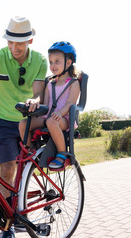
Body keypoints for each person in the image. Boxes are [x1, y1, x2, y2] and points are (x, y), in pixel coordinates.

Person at [0, 16, 47, 237]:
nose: (14, 47)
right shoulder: (0, 56)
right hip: (3, 121)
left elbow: (37, 91)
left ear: (30, 42)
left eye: (19, 43)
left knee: (24, 172)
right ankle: (8, 224)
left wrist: (35, 100)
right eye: (10, 42)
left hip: (27, 121)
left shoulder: (39, 60)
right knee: (7, 171)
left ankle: (22, 211)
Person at [19, 41, 81, 169]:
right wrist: (32, 110)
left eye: (57, 61)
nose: (53, 65)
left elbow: (70, 103)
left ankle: (62, 153)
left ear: (68, 62)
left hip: (64, 119)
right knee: (23, 124)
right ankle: (30, 150)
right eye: (51, 62)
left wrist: (60, 113)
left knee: (52, 122)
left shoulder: (73, 83)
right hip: (48, 117)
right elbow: (46, 105)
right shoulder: (50, 83)